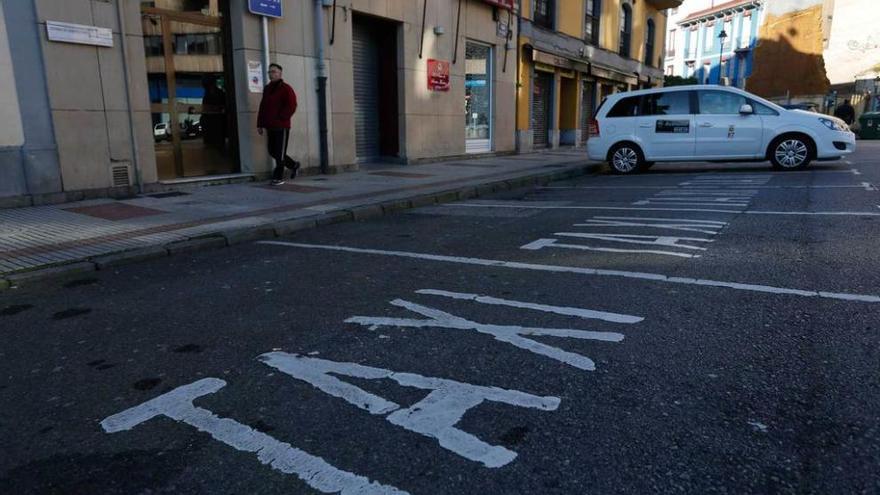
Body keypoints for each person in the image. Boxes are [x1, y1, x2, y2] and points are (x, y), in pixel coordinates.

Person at [257, 63, 300, 185]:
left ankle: (278, 177)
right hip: (270, 126)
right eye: (270, 72)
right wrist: (259, 124)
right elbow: (263, 107)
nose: (272, 74)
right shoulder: (267, 89)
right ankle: (294, 165)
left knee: (280, 153)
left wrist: (281, 118)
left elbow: (292, 105)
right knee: (272, 151)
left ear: (280, 73)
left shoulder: (286, 88)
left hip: (282, 126)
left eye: (274, 72)